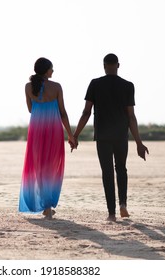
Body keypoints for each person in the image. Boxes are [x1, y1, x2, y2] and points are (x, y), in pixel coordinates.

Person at [73, 53, 149, 222]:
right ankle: (123, 204)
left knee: (107, 172)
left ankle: (111, 213)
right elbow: (131, 117)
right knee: (121, 168)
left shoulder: (95, 84)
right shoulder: (128, 85)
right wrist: (139, 142)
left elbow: (86, 112)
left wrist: (75, 135)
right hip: (121, 135)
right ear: (118, 65)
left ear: (104, 66)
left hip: (102, 136)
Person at [19, 57, 75, 219]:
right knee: (51, 166)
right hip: (53, 130)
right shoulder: (56, 87)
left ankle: (46, 205)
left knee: (38, 166)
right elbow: (63, 112)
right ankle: (48, 205)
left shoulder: (28, 87)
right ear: (46, 70)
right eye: (51, 68)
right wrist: (70, 135)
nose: (53, 71)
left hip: (36, 129)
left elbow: (31, 109)